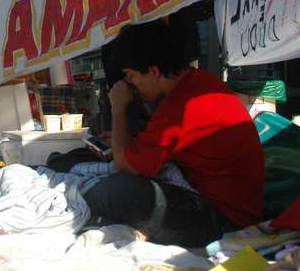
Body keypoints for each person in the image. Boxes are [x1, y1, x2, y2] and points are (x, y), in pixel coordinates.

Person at [82, 21, 265, 247]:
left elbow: (125, 166)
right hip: (214, 200)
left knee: (116, 191)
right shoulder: (196, 83)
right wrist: (125, 141)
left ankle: (70, 203)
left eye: (131, 76)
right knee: (109, 167)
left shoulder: (184, 104)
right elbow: (148, 148)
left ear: (153, 71)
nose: (130, 85)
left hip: (224, 220)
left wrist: (118, 108)